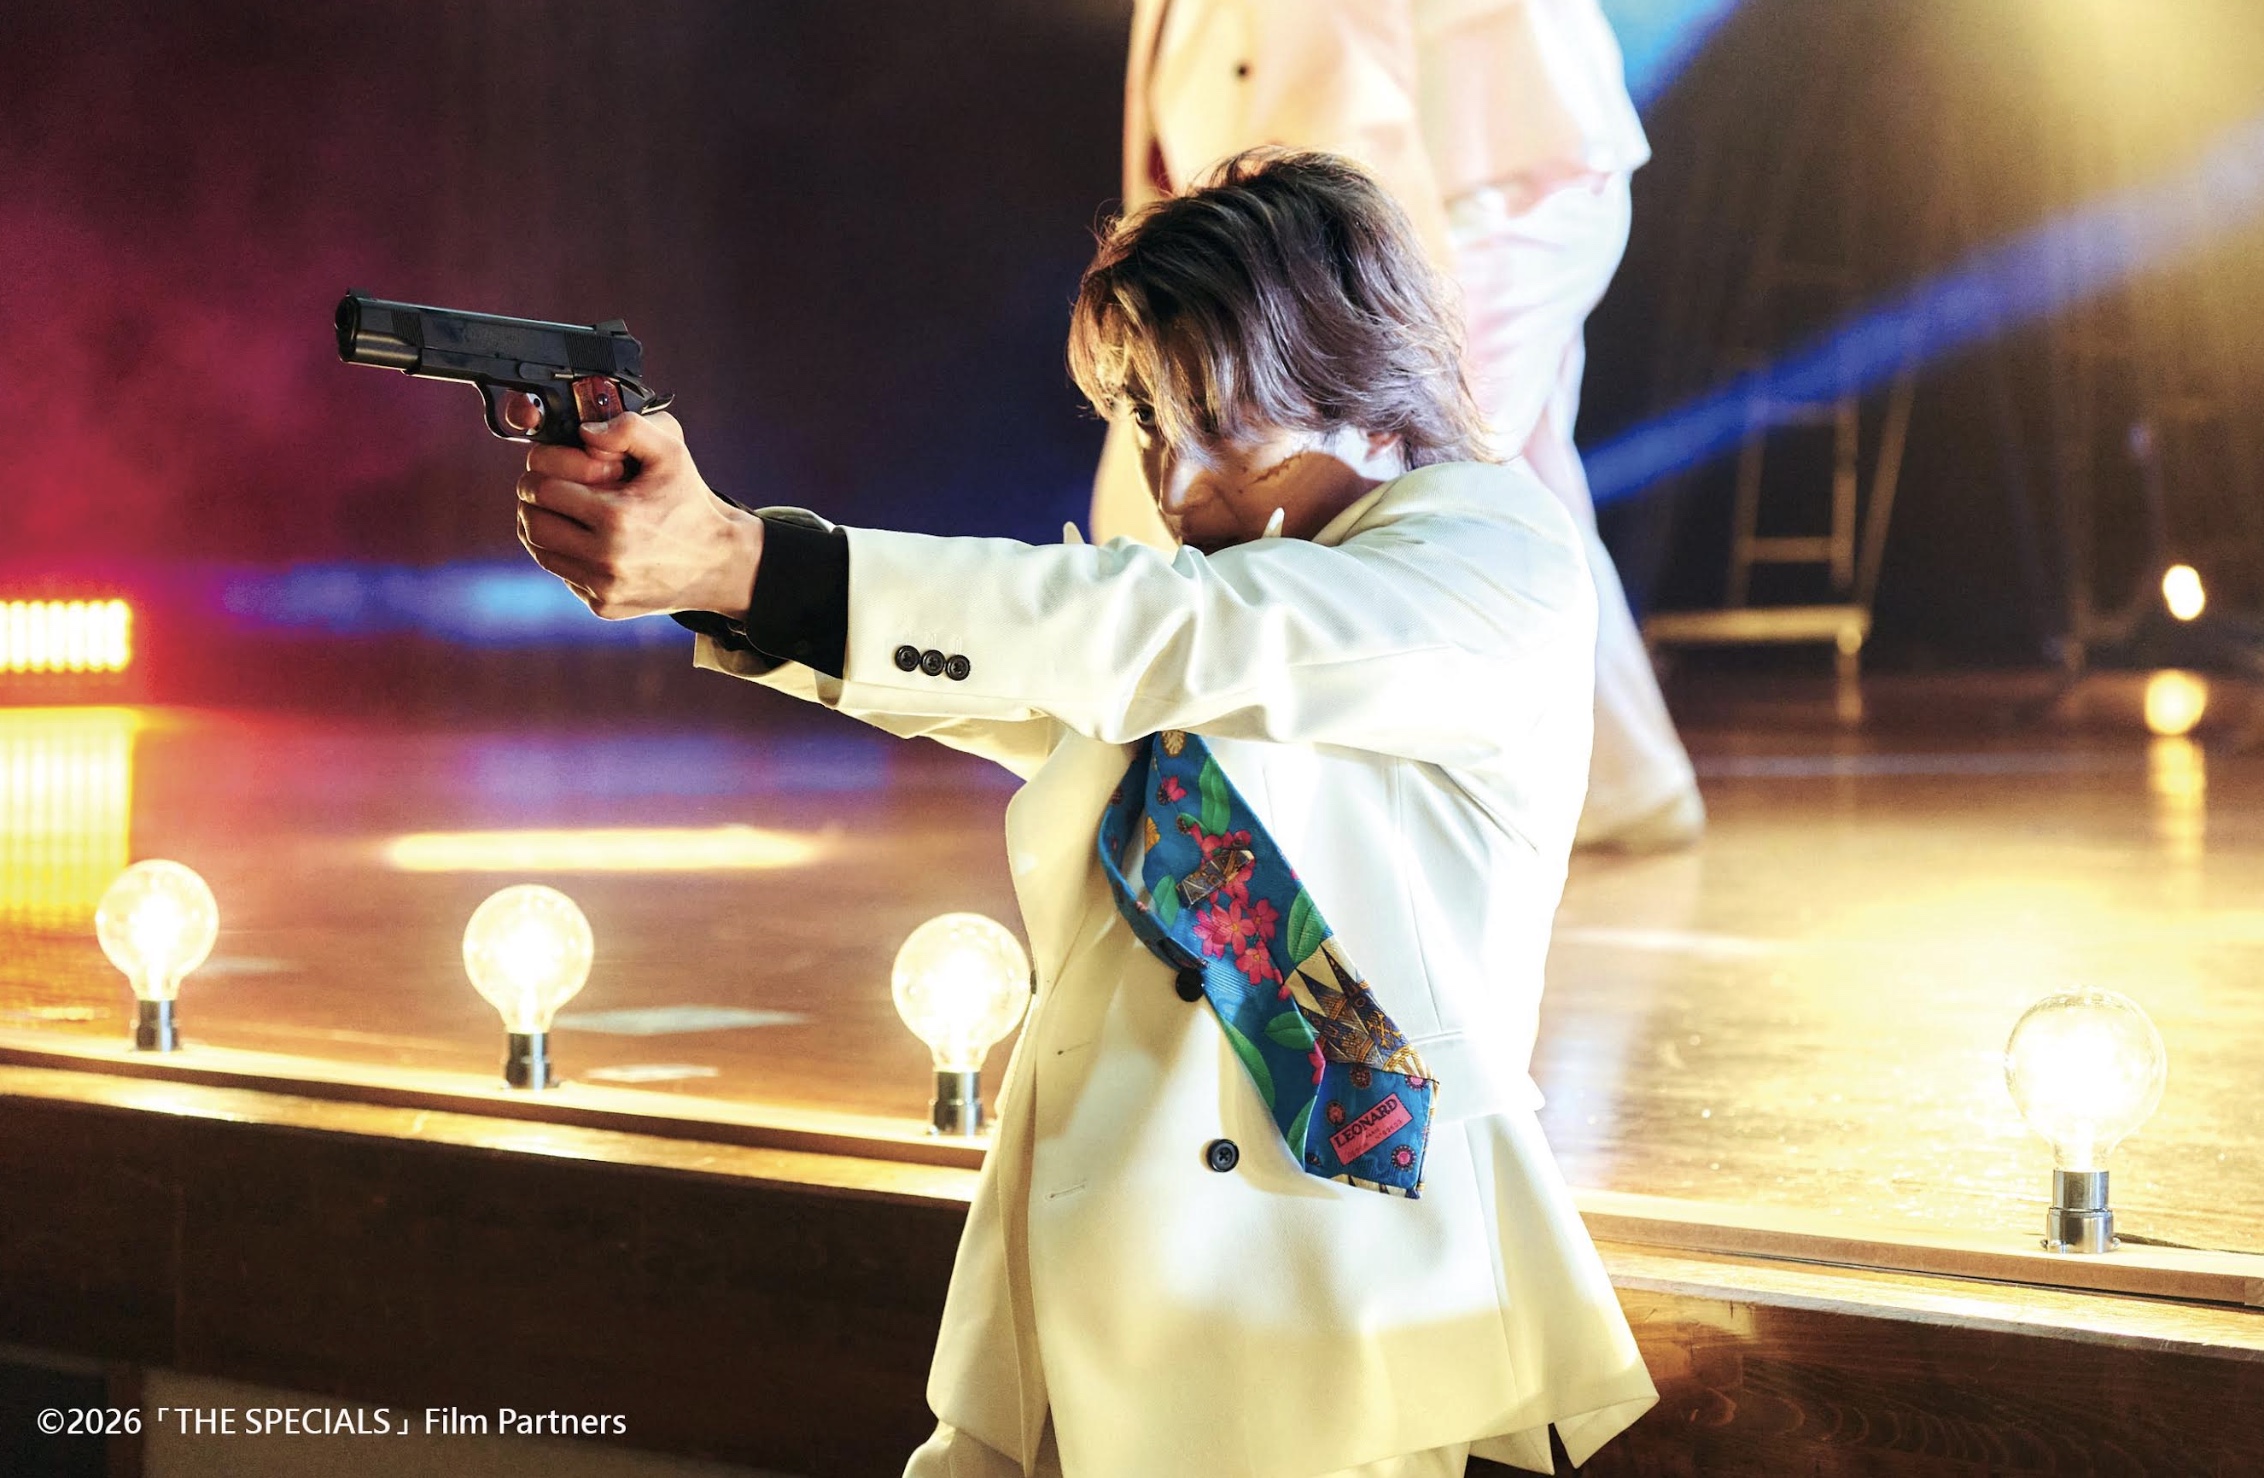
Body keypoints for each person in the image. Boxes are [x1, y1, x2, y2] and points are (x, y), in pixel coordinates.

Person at [508, 151, 1656, 1477]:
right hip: (1083, 1278)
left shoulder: (1492, 556)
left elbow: (1177, 635)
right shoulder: (1214, 603)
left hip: (1335, 1301)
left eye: (1212, 416)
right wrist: (718, 579)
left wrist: (741, 556)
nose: (1172, 482)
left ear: (1345, 371)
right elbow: (1043, 668)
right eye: (1146, 421)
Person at [1097, 0, 1704, 849]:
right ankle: (1624, 786)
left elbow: (1351, 105)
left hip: (1471, 193)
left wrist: (1353, 310)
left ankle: (1348, 809)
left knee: (1425, 472)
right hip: (1383, 209)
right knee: (1489, 477)